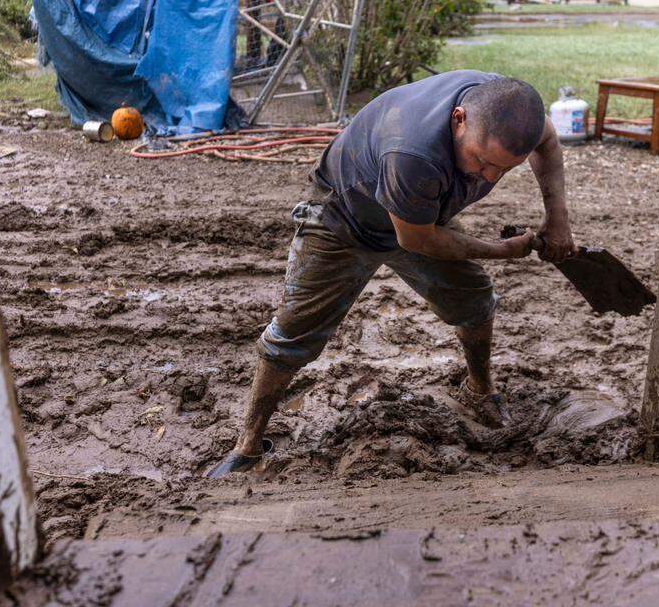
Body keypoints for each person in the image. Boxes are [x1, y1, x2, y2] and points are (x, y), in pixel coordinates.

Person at [207, 70, 576, 477]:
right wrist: (500, 251)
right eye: (482, 161)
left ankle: (479, 391)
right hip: (344, 218)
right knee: (294, 333)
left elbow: (549, 141)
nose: (488, 176)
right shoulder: (413, 152)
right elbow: (418, 241)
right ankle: (248, 444)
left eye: (505, 169)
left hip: (423, 213)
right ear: (459, 119)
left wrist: (557, 219)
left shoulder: (514, 112)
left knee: (473, 300)